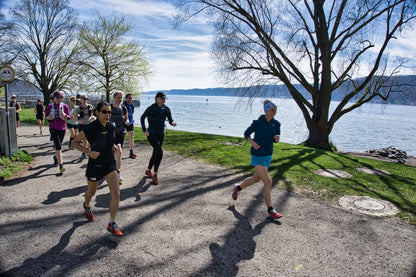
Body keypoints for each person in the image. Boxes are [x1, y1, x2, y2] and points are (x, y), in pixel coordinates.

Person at [71, 101, 123, 236]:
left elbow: (109, 141)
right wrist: (88, 152)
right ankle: (87, 205)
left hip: (109, 164)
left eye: (109, 112)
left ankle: (112, 223)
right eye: (104, 111)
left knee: (116, 194)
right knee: (91, 193)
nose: (107, 114)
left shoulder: (112, 126)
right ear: (97, 112)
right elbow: (74, 142)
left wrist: (113, 147)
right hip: (95, 164)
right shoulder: (91, 128)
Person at [232, 100, 283, 221]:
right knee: (268, 182)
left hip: (268, 155)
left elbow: (276, 138)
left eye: (275, 110)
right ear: (266, 110)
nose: (274, 112)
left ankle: (238, 188)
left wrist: (277, 139)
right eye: (272, 110)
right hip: (257, 154)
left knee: (255, 179)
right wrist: (252, 142)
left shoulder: (277, 124)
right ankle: (270, 210)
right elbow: (246, 133)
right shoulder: (257, 123)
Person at [140, 91, 176, 184]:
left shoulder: (166, 109)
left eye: (164, 99)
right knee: (159, 151)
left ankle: (148, 170)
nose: (163, 100)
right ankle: (155, 174)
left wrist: (172, 123)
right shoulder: (151, 108)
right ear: (157, 98)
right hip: (151, 134)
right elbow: (142, 118)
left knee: (156, 152)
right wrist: (144, 130)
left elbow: (170, 119)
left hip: (160, 134)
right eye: (162, 98)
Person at [45, 91, 71, 173]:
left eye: (60, 97)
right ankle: (61, 166)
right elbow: (46, 116)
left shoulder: (64, 106)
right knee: (58, 146)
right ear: (54, 98)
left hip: (62, 128)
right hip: (53, 128)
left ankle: (56, 157)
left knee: (58, 146)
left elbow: (69, 117)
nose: (59, 99)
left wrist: (65, 115)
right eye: (57, 97)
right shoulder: (50, 106)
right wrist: (49, 117)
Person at [110, 90, 129, 183]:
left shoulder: (124, 108)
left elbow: (127, 118)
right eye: (118, 97)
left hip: (121, 132)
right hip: (110, 133)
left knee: (118, 152)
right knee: (116, 152)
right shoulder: (110, 108)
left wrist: (127, 121)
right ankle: (114, 171)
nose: (120, 99)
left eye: (121, 97)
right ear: (114, 98)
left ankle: (116, 172)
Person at [74, 95, 94, 159]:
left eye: (86, 98)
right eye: (84, 98)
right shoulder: (79, 108)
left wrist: (93, 117)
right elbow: (74, 116)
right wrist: (78, 121)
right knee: (84, 140)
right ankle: (83, 152)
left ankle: (87, 150)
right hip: (82, 125)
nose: (85, 100)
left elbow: (94, 114)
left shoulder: (90, 106)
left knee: (90, 140)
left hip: (90, 125)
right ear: (81, 99)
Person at [123, 93, 137, 159]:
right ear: (126, 98)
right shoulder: (123, 105)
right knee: (122, 137)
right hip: (124, 123)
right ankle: (118, 151)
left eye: (131, 98)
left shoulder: (132, 105)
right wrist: (125, 121)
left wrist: (132, 119)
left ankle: (131, 152)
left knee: (131, 136)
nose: (130, 99)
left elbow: (131, 113)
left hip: (130, 123)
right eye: (129, 98)